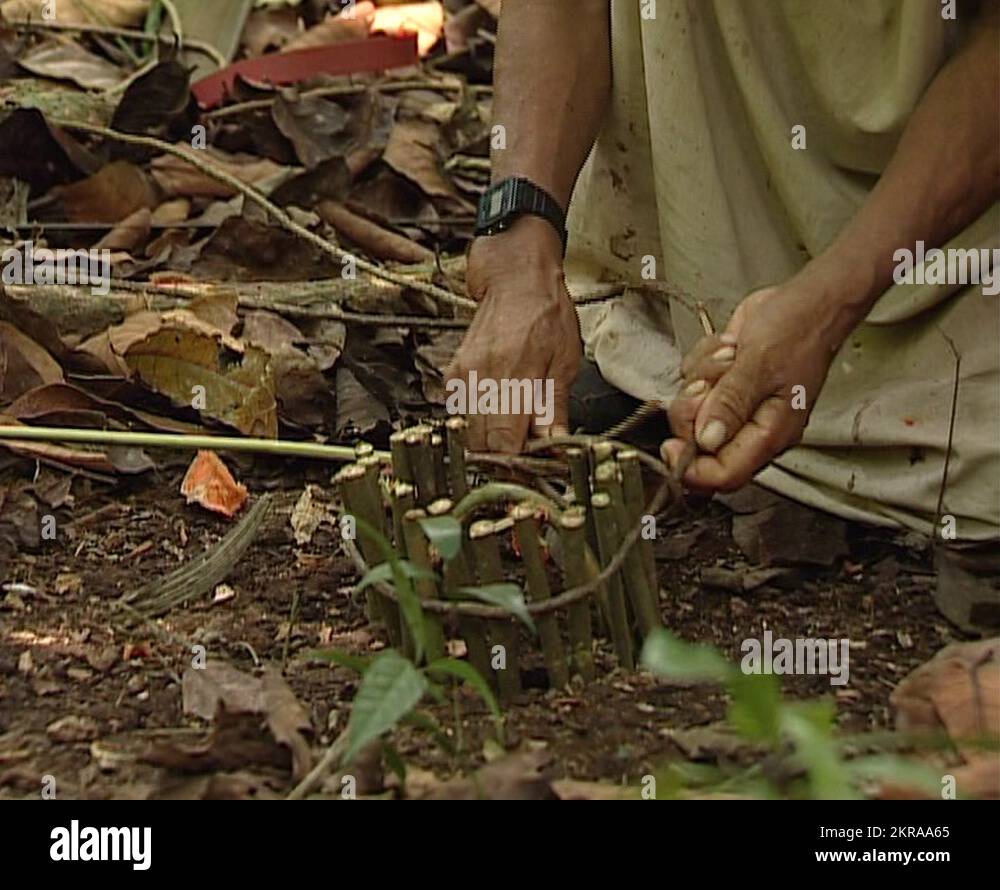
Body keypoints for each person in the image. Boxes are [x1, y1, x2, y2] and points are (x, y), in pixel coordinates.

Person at [447, 0, 1000, 629]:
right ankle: (663, 340)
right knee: (643, 372)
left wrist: (828, 302)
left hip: (955, 243)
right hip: (693, 237)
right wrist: (520, 238)